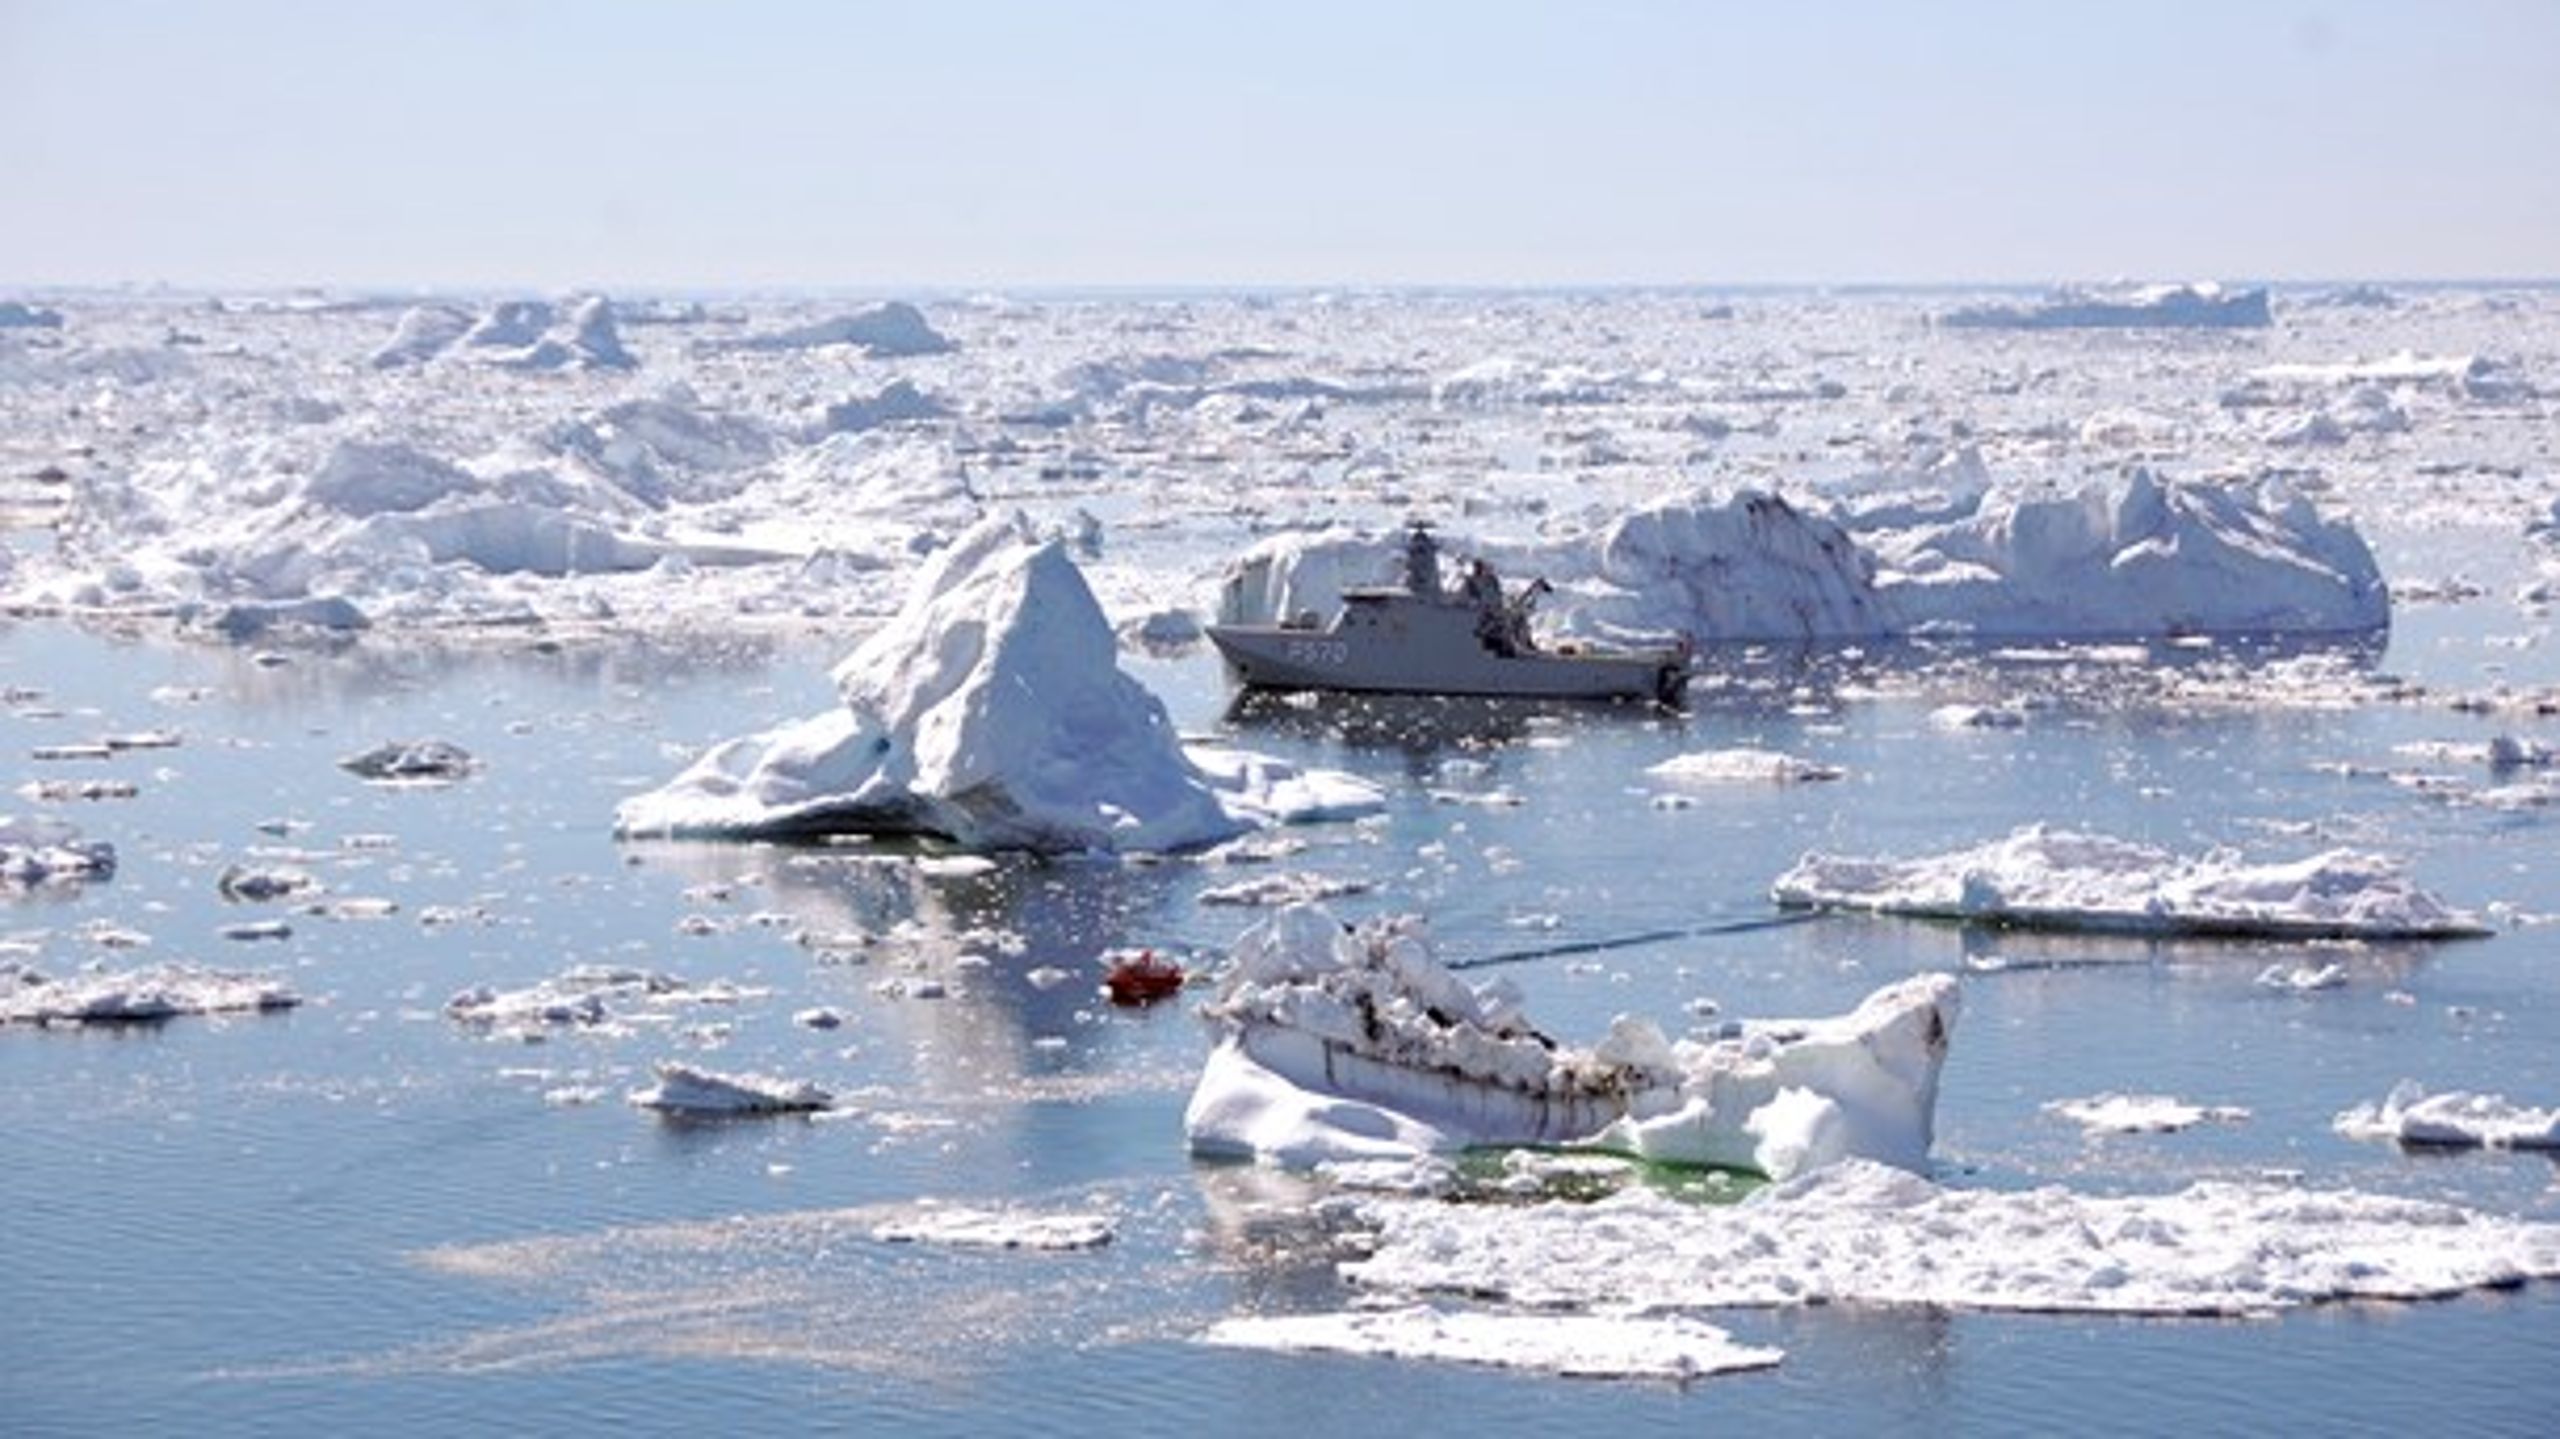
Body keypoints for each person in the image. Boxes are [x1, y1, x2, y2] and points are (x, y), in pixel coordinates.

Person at [1463, 558, 1512, 655]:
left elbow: (1497, 599)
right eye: (1477, 567)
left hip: (1492, 618)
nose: (1479, 569)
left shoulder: (1492, 581)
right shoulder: (1472, 582)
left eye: (1480, 567)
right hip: (1483, 618)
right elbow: (1472, 599)